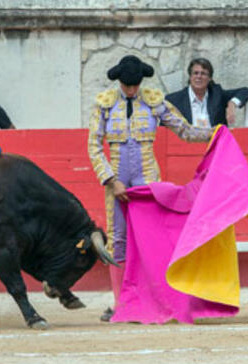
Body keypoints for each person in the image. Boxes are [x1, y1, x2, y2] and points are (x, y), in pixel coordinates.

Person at [88, 55, 215, 322]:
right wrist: (112, 180)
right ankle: (120, 302)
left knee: (151, 238)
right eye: (127, 85)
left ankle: (155, 298)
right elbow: (94, 147)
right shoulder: (104, 104)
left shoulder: (154, 101)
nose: (131, 90)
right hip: (118, 178)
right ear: (120, 82)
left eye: (135, 85)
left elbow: (185, 131)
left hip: (147, 178)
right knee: (119, 238)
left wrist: (214, 133)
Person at [165, 58, 248, 127]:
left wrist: (232, 103)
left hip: (215, 145)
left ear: (210, 78)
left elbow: (246, 91)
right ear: (190, 76)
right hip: (186, 145)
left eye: (203, 74)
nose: (199, 77)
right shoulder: (174, 100)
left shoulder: (217, 94)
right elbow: (164, 131)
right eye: (195, 73)